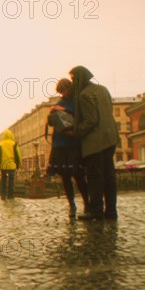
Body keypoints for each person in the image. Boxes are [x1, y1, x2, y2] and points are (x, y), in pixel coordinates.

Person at [70, 66, 119, 220]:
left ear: (79, 79)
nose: (72, 83)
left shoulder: (84, 95)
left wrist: (76, 131)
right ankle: (111, 211)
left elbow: (91, 121)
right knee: (109, 176)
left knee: (95, 177)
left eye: (73, 79)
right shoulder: (103, 89)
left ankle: (96, 211)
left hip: (95, 144)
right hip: (110, 139)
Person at [47, 78, 89, 218]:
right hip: (60, 144)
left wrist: (62, 109)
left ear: (69, 88)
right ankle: (72, 205)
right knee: (65, 177)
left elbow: (80, 113)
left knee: (78, 175)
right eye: (61, 92)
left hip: (72, 144)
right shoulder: (61, 101)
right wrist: (51, 113)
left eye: (64, 91)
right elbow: (51, 122)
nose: (63, 94)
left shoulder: (77, 100)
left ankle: (87, 204)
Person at [0, 129, 21, 200]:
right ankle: (11, 196)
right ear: (11, 135)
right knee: (11, 180)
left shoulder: (0, 144)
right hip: (12, 164)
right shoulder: (14, 144)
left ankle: (3, 195)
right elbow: (18, 155)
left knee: (3, 180)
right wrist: (19, 164)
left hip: (3, 165)